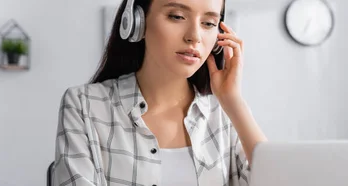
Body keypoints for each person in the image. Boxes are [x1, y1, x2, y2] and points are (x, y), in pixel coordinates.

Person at [52, 0, 267, 185]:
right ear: (137, 22)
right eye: (177, 16)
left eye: (209, 23)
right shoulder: (84, 105)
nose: (194, 36)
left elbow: (276, 179)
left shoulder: (223, 114)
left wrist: (233, 102)